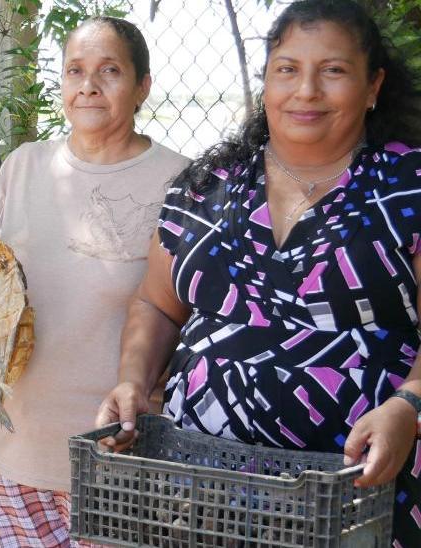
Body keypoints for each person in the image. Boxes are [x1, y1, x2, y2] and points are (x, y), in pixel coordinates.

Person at [93, 0, 421, 543]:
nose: (306, 91)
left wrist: (409, 406)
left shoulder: (407, 189)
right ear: (266, 81)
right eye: (287, 69)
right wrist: (134, 379)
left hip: (360, 498)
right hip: (203, 493)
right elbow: (155, 304)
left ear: (372, 86)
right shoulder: (203, 188)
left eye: (333, 71)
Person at [0, 17, 189, 547]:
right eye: (75, 71)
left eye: (110, 71)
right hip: (18, 448)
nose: (89, 85)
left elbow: (188, 312)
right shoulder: (24, 165)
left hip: (120, 451)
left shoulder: (182, 181)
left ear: (143, 85)